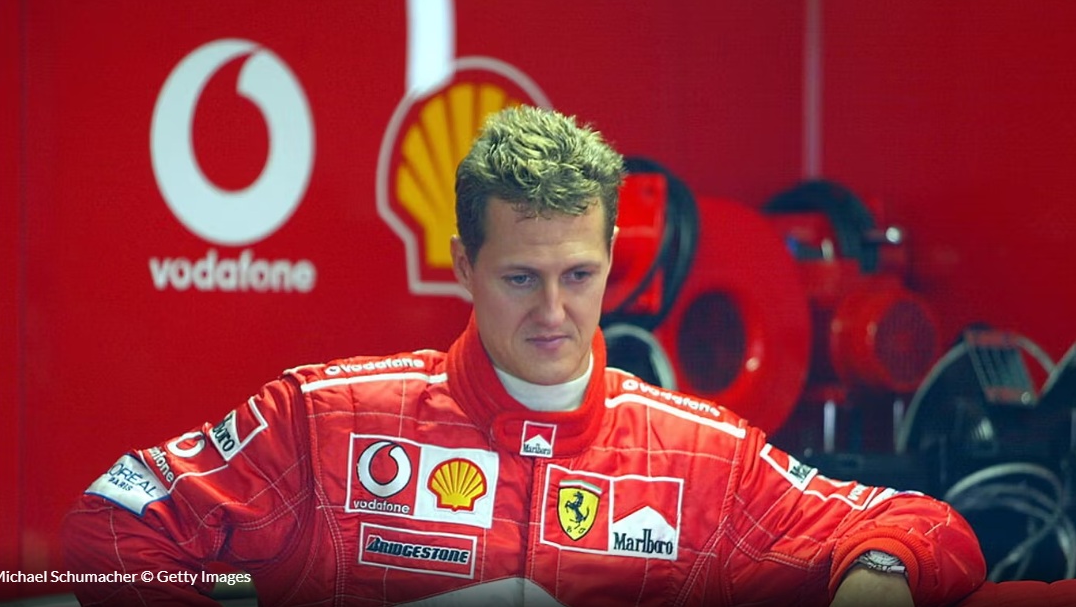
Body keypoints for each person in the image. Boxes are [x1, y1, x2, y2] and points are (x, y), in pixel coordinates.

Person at [62, 105, 987, 606]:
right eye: (519, 278)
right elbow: (113, 519)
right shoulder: (325, 421)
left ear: (612, 259)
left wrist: (879, 576)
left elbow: (932, 527)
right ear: (463, 264)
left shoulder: (704, 460)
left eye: (579, 275)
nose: (554, 312)